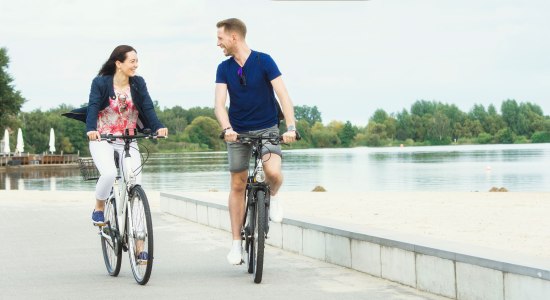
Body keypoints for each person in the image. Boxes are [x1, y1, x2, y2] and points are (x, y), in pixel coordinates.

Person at [214, 18, 298, 265]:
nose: (218, 43)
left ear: (233, 37)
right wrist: (226, 128)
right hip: (237, 132)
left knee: (273, 172)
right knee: (238, 184)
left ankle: (275, 196)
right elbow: (219, 104)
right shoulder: (224, 68)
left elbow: (283, 96)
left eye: (220, 38)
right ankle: (236, 245)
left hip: (268, 128)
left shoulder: (264, 61)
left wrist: (291, 127)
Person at [64, 45, 168, 228]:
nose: (136, 65)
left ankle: (140, 247)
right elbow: (94, 106)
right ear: (119, 63)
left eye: (137, 61)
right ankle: (99, 207)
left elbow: (148, 107)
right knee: (110, 173)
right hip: (102, 138)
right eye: (132, 61)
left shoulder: (138, 83)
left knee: (136, 185)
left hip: (128, 140)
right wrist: (91, 130)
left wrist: (158, 127)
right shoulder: (101, 82)